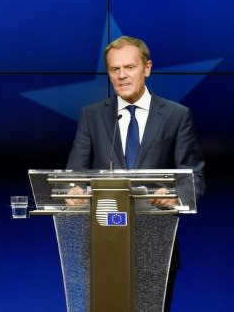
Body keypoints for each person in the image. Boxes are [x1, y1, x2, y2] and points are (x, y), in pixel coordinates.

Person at [65, 35, 205, 311]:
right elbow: (74, 175)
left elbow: (194, 177)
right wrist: (72, 189)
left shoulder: (177, 116)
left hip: (155, 245)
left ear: (147, 68)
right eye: (115, 69)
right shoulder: (92, 116)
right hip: (104, 243)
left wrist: (176, 194)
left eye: (129, 67)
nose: (122, 75)